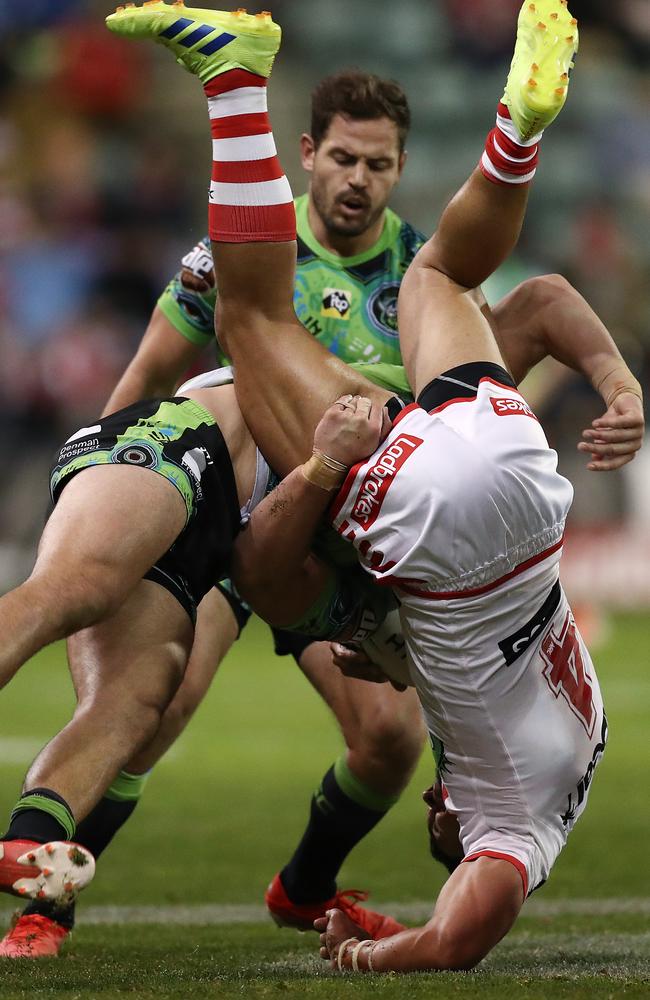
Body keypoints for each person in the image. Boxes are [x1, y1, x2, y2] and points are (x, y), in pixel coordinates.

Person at [102, 0, 644, 972]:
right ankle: (236, 81)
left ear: (394, 172)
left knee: (435, 275)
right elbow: (474, 916)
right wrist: (401, 950)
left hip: (516, 483)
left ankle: (513, 133)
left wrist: (618, 386)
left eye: (376, 164)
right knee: (255, 323)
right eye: (448, 832)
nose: (444, 815)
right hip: (435, 513)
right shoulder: (514, 818)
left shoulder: (577, 738)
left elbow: (545, 299)